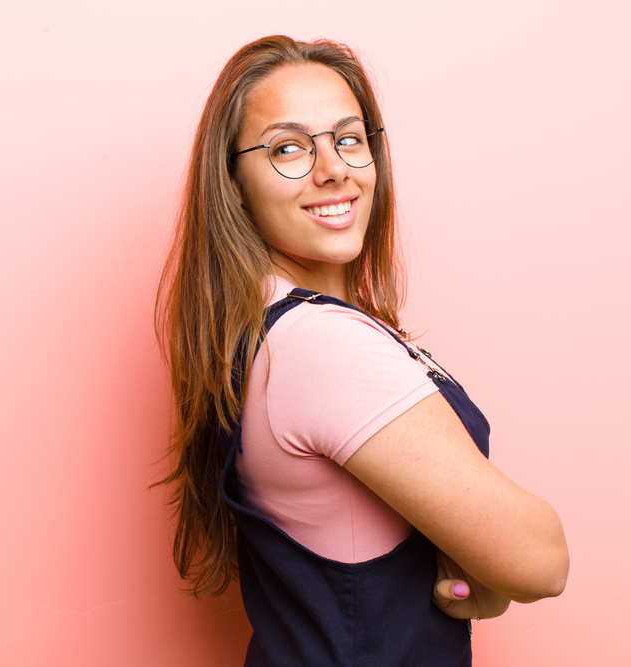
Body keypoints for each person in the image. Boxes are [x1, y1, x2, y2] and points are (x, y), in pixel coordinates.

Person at [155, 36, 568, 666]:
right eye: (288, 148)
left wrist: (472, 565)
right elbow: (541, 561)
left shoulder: (271, 331)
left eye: (349, 138)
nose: (334, 169)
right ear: (234, 182)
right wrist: (497, 560)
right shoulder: (320, 345)